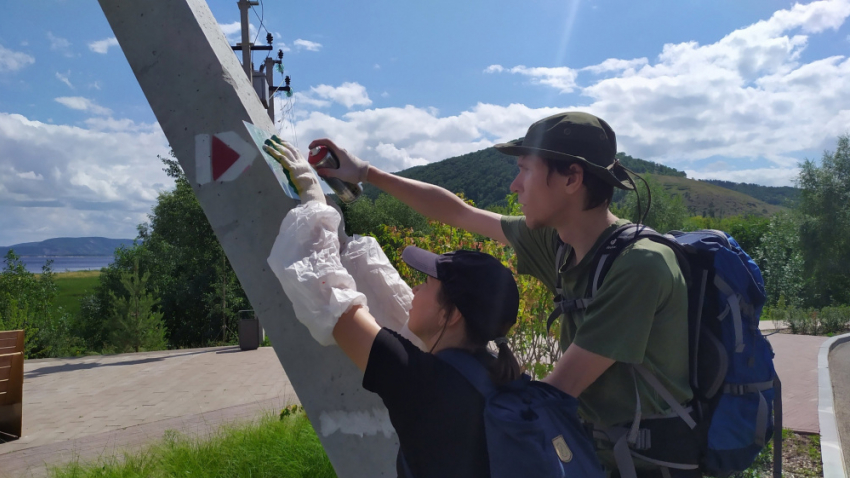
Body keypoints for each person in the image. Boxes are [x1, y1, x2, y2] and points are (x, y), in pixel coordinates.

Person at [309, 112, 697, 476]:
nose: (515, 185)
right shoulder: (559, 242)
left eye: (526, 170)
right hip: (592, 449)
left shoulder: (640, 266)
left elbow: (551, 397)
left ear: (572, 178)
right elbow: (459, 214)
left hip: (645, 463)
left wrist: (417, 383)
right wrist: (367, 173)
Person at [262, 136, 522, 478]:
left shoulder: (418, 381)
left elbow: (325, 294)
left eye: (427, 284)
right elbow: (391, 304)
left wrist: (312, 194)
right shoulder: (492, 370)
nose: (412, 287)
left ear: (453, 314)